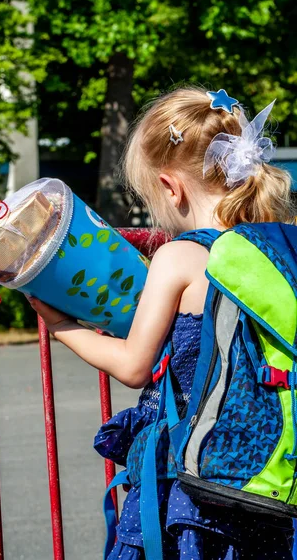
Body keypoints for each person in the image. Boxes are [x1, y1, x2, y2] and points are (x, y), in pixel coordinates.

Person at [27, 86, 296, 559]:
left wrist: (60, 326)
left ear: (171, 187)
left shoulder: (180, 256)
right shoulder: (280, 248)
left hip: (190, 480)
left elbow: (134, 365)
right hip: (263, 477)